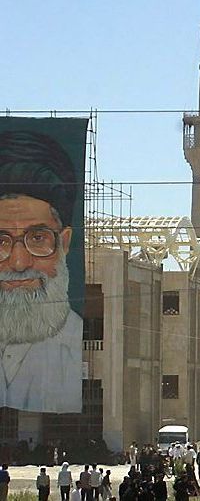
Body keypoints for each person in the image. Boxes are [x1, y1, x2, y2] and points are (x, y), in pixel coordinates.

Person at [0, 130, 84, 412]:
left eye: (38, 238)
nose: (19, 262)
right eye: (1, 241)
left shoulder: (74, 346)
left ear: (65, 243)